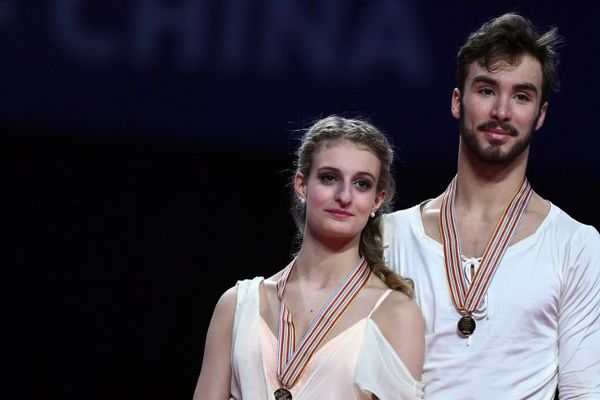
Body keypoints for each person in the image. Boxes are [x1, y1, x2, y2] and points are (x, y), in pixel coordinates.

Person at [382, 12, 600, 399]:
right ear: (457, 102)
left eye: (521, 95)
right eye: (486, 90)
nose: (501, 111)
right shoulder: (391, 236)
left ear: (541, 115)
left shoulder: (576, 246)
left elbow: (583, 391)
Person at [193, 115, 425, 400]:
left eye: (362, 184)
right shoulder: (237, 306)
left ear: (377, 200)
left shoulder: (397, 315)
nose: (344, 196)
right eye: (330, 178)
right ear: (302, 185)